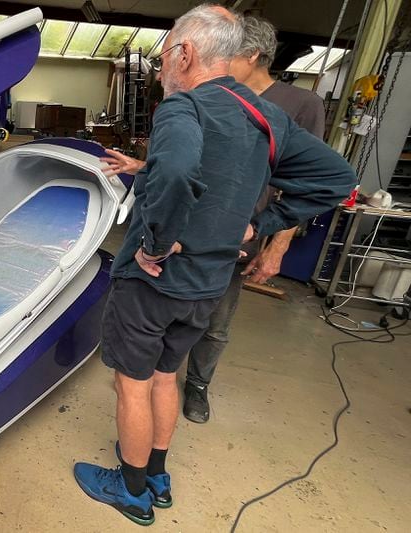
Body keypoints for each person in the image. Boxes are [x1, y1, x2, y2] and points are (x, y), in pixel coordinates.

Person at [72, 4, 355, 527]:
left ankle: (130, 490)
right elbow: (339, 179)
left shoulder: (185, 108)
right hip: (209, 282)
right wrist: (263, 222)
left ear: (186, 53)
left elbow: (178, 171)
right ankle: (157, 474)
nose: (160, 73)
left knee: (131, 383)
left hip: (155, 283)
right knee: (165, 376)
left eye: (162, 61)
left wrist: (157, 243)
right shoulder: (264, 114)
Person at [183, 15, 329, 424]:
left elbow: (306, 185)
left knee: (216, 319)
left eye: (226, 52)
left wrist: (276, 245)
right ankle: (154, 374)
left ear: (252, 55)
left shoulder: (300, 105)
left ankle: (197, 384)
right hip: (188, 223)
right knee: (167, 308)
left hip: (239, 232)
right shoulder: (210, 95)